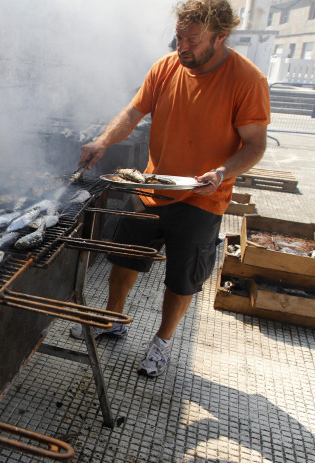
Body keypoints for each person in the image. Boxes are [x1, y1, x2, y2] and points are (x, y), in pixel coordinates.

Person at [70, 0, 270, 377]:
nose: (181, 47)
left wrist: (223, 172)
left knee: (182, 277)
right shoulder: (166, 67)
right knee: (123, 258)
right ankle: (112, 318)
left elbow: (255, 145)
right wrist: (102, 141)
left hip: (203, 197)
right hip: (152, 186)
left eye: (192, 40)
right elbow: (134, 111)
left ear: (220, 36)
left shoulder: (248, 79)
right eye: (178, 37)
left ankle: (161, 343)